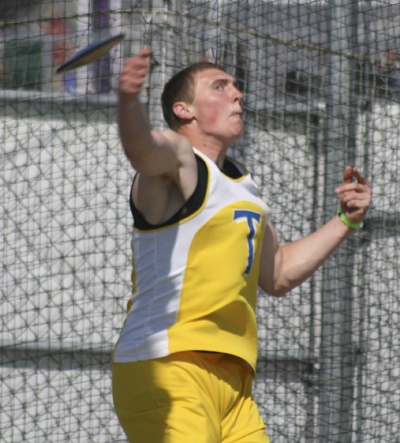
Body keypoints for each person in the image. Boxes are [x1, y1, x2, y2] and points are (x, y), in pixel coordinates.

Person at [112, 48, 372, 443]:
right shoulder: (180, 160)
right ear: (184, 110)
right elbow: (144, 151)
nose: (238, 94)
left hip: (234, 381)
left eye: (236, 86)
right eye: (220, 87)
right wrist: (128, 101)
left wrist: (345, 221)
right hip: (168, 366)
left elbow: (279, 273)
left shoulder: (243, 189)